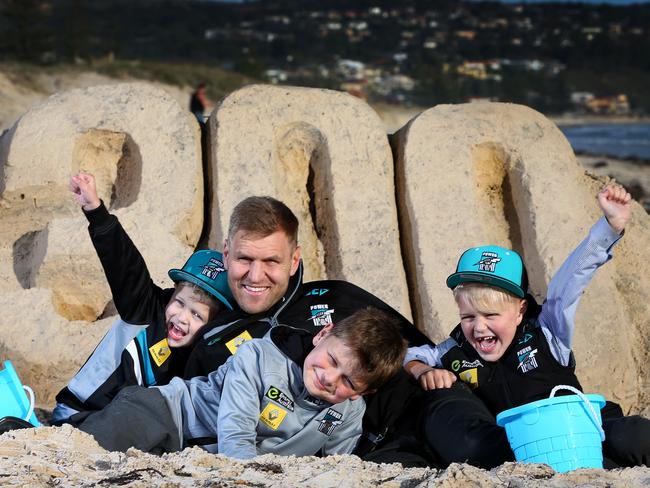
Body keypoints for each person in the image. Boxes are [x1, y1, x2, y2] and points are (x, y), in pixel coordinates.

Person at [404, 183, 650, 468]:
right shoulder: (457, 349)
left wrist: (609, 227)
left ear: (520, 310)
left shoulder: (546, 332)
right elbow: (412, 354)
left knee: (633, 436)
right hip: (531, 445)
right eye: (468, 317)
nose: (479, 327)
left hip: (585, 427)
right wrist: (422, 370)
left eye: (491, 315)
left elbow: (569, 282)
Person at [77, 307, 407, 457]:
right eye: (332, 361)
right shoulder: (260, 355)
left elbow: (339, 468)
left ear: (366, 391)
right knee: (85, 453)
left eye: (349, 381)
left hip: (203, 462)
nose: (329, 378)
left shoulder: (348, 413)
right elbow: (235, 435)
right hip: (167, 414)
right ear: (322, 335)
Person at [51, 173, 234, 425]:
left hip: (124, 432)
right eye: (180, 303)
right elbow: (124, 265)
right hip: (76, 416)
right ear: (173, 293)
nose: (181, 317)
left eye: (197, 314)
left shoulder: (201, 354)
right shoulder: (146, 308)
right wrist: (95, 210)